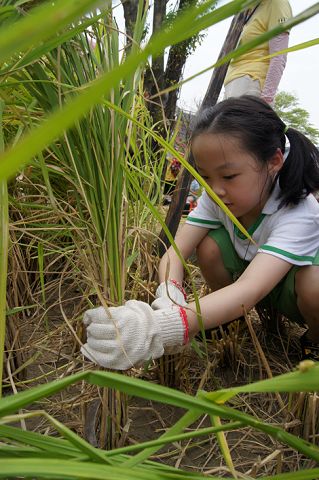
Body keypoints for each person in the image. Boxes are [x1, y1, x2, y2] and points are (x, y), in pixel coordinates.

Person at [81, 96, 319, 370]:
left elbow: (250, 288)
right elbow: (175, 252)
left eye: (229, 176)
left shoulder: (300, 210)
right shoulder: (217, 196)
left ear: (274, 161)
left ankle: (314, 339)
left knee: (316, 285)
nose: (215, 190)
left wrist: (159, 326)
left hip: (290, 290)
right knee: (208, 247)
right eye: (205, 177)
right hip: (251, 282)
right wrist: (170, 295)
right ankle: (228, 318)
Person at [224, 0, 292, 103]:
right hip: (232, 83)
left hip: (250, 81)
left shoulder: (276, 3)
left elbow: (279, 57)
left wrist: (266, 100)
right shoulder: (249, 8)